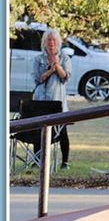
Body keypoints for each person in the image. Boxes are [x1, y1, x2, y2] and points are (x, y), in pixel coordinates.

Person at [32, 29, 72, 169]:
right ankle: (37, 161)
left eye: (54, 40)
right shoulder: (38, 59)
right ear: (44, 42)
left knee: (62, 131)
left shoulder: (65, 58)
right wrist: (50, 69)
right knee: (39, 130)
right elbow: (38, 79)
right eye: (49, 40)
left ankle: (65, 162)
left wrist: (57, 65)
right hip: (41, 100)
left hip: (57, 100)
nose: (51, 43)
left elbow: (65, 77)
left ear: (58, 42)